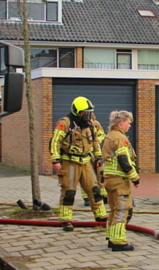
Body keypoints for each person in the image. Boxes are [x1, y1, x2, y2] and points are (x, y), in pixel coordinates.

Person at [50, 96, 108, 231]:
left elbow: (94, 142)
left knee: (94, 190)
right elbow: (55, 141)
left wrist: (98, 157)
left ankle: (101, 216)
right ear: (77, 111)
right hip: (69, 162)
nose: (87, 115)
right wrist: (55, 159)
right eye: (84, 112)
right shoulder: (65, 123)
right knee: (69, 191)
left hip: (86, 161)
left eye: (88, 112)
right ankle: (66, 219)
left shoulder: (90, 125)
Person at [101, 110, 139, 252]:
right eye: (128, 123)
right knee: (122, 209)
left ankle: (111, 237)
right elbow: (124, 160)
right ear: (121, 123)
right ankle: (119, 241)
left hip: (110, 179)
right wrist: (135, 177)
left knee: (114, 209)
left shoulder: (110, 136)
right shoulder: (120, 138)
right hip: (119, 180)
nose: (130, 126)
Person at [81, 111, 109, 207]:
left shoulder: (96, 124)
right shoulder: (80, 124)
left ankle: (103, 195)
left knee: (100, 174)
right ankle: (87, 198)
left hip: (96, 152)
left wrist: (97, 140)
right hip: (86, 153)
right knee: (85, 175)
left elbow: (102, 134)